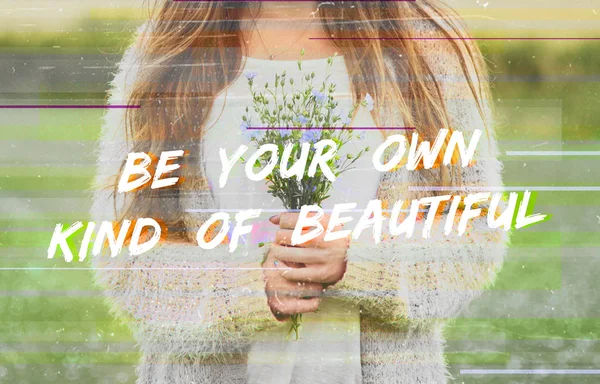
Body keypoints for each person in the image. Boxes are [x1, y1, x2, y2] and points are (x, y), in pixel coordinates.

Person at [91, 1, 508, 383]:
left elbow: (476, 238)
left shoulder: (421, 45)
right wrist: (250, 288)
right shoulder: (170, 47)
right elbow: (125, 258)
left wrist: (358, 264)